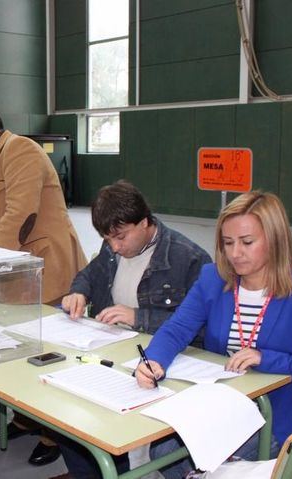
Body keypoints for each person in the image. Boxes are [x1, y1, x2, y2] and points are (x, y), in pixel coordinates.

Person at [136, 191, 292, 479]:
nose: (234, 253)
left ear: (275, 240)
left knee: (185, 461)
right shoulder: (213, 279)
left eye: (247, 242)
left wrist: (269, 359)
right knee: (162, 452)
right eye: (227, 243)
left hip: (281, 418)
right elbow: (177, 329)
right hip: (226, 405)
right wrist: (154, 361)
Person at [0, 98, 87, 467]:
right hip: (20, 274)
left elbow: (19, 216)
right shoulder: (1, 156)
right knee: (20, 350)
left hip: (47, 271)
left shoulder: (21, 151)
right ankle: (26, 418)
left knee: (45, 354)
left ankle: (53, 433)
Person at [52, 180, 212, 479]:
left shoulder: (189, 258)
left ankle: (116, 470)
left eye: (120, 237)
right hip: (112, 352)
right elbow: (94, 270)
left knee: (108, 426)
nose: (114, 246)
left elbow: (199, 328)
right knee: (66, 417)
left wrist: (140, 317)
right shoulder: (112, 247)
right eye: (107, 238)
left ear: (144, 221)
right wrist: (79, 292)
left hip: (161, 366)